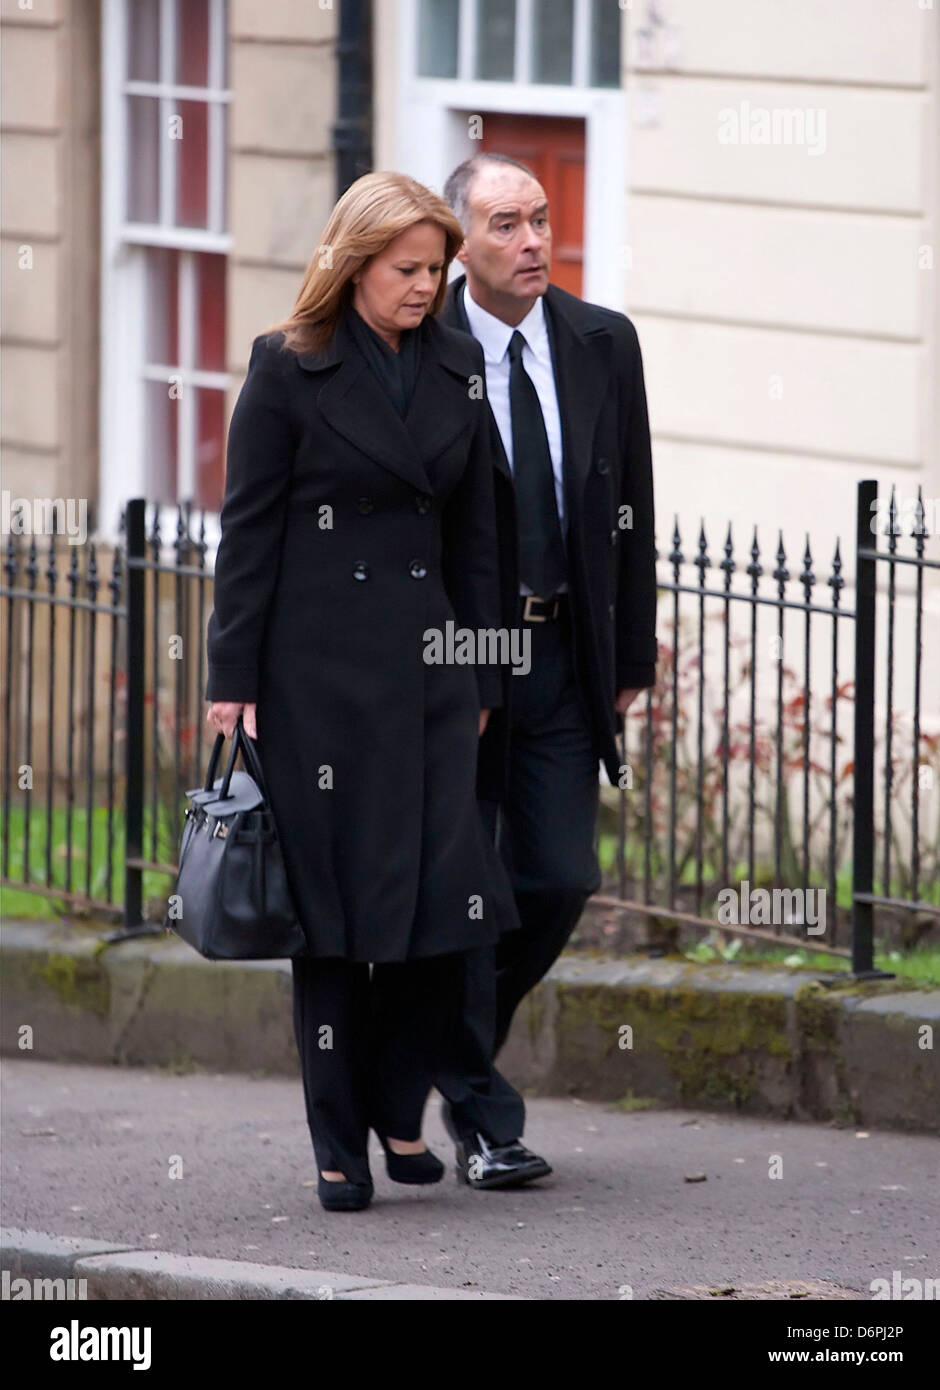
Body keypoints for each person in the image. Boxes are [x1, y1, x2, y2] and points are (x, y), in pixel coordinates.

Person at [204, 171, 515, 1212]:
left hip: (428, 678)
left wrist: (477, 663)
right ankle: (338, 1144)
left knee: (447, 911)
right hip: (315, 685)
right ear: (354, 264)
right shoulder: (287, 368)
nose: (426, 286)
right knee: (332, 924)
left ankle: (396, 1108)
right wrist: (230, 679)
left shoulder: (460, 365)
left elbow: (477, 534)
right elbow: (247, 531)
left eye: (436, 268)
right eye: (407, 269)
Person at [435, 152, 658, 1188]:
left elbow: (632, 506)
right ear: (458, 243)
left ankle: (445, 1049)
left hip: (564, 649)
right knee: (462, 890)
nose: (532, 241)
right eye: (505, 224)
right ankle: (483, 1114)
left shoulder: (602, 342)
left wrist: (629, 651)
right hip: (455, 662)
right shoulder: (412, 341)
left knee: (558, 876)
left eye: (540, 219)